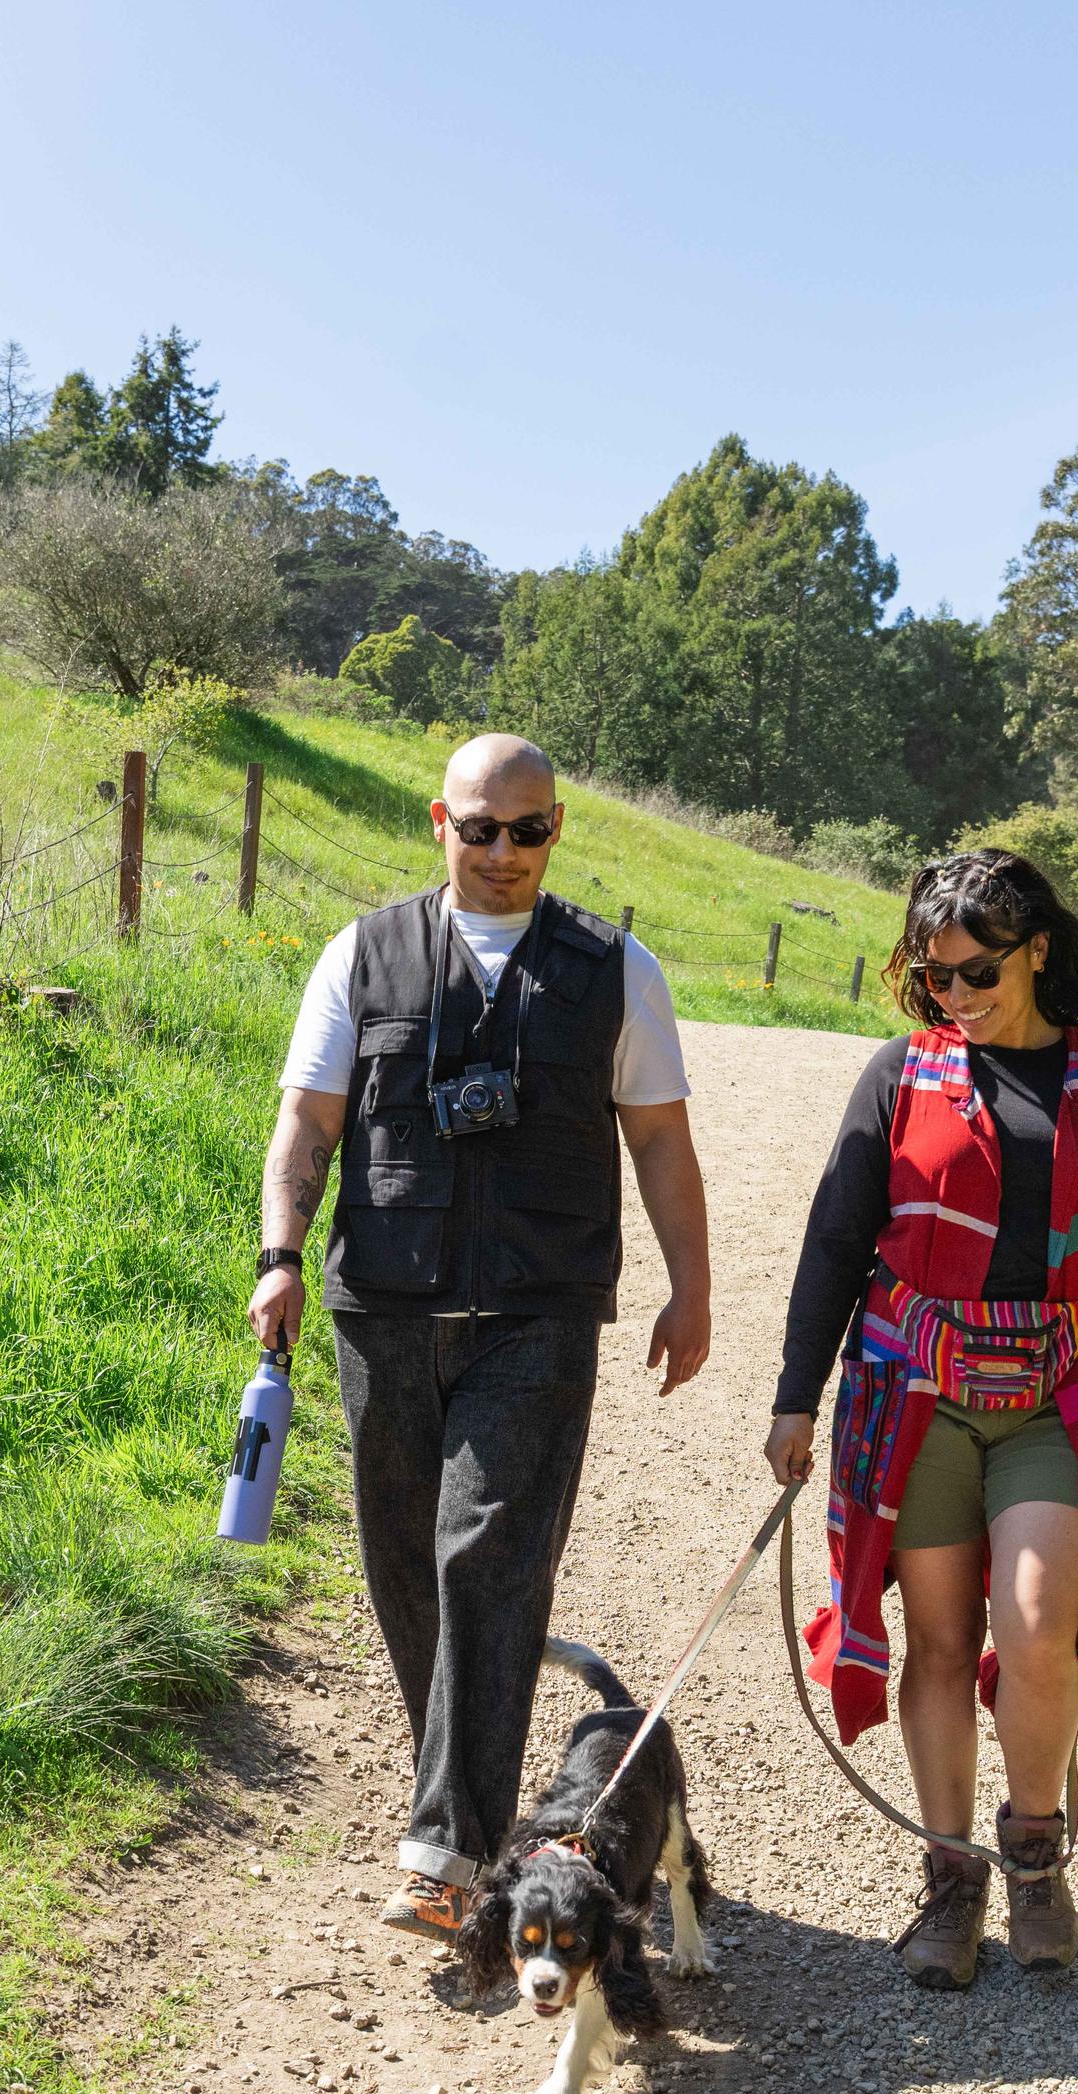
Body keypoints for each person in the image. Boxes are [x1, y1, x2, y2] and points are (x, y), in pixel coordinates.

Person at [250, 733, 714, 1945]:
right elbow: (307, 1120)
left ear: (558, 829)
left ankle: (448, 1851)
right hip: (383, 1307)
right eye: (479, 828)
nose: (503, 851)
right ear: (438, 825)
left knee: (488, 1554)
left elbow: (660, 1140)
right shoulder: (362, 954)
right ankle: (467, 1798)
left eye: (529, 829)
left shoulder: (618, 971)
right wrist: (281, 1256)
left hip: (539, 1313)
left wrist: (692, 1285)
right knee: (406, 1563)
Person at [764, 849, 1078, 1990]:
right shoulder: (900, 1075)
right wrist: (795, 1392)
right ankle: (950, 1875)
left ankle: (1034, 1856)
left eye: (977, 969)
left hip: (1054, 1398)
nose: (957, 995)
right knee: (935, 1640)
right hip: (914, 1393)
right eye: (935, 978)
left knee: (1037, 1625)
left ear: (1036, 948)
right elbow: (837, 1237)